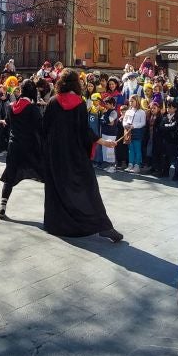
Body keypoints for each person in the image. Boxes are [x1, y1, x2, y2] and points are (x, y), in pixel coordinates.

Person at [41, 69, 123, 243]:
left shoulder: (53, 102)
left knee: (58, 187)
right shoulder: (78, 103)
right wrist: (103, 141)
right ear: (76, 84)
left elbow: (45, 128)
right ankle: (103, 226)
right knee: (88, 187)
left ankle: (57, 223)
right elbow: (84, 131)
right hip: (75, 154)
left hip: (56, 154)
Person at [0, 79, 45, 219]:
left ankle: (2, 206)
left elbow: (8, 122)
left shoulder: (11, 106)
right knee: (45, 173)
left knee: (10, 175)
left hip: (14, 145)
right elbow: (40, 128)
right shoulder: (33, 108)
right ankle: (55, 209)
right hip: (30, 147)